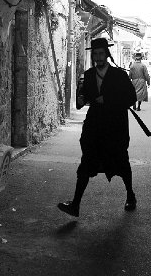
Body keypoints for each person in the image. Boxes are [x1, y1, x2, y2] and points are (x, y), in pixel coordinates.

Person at [58, 37, 138, 217]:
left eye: (101, 53)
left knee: (121, 162)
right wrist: (81, 99)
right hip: (94, 127)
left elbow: (131, 98)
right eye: (95, 54)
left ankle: (130, 195)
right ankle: (75, 204)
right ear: (93, 55)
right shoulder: (88, 74)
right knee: (86, 164)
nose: (99, 57)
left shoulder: (119, 75)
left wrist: (108, 100)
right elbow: (83, 100)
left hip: (115, 127)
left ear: (107, 54)